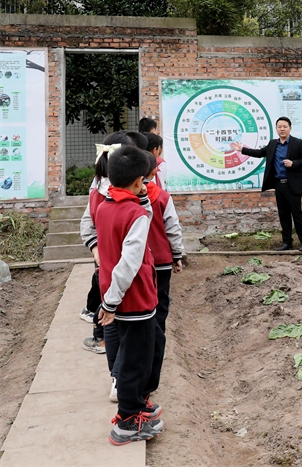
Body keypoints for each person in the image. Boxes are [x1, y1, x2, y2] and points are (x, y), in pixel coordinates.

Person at [95, 145, 165, 445]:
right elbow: (129, 262)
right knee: (136, 360)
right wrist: (111, 301)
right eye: (145, 181)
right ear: (138, 181)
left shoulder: (105, 206)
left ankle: (136, 404)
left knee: (139, 353)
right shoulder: (134, 214)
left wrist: (109, 298)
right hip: (132, 299)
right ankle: (126, 422)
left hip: (117, 294)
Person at [80, 132, 132, 356]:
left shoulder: (97, 184)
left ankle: (102, 340)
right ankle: (105, 341)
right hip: (116, 252)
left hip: (103, 252)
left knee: (106, 294)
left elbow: (86, 221)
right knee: (113, 298)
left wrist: (95, 249)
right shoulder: (117, 190)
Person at [231, 117, 302, 251]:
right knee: (283, 215)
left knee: (297, 214)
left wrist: (293, 163)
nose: (282, 129)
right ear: (276, 129)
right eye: (279, 126)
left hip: (293, 185)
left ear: (290, 128)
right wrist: (242, 149)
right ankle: (287, 243)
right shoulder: (273, 144)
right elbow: (259, 153)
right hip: (279, 185)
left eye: (285, 126)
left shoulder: (298, 143)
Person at [143, 153, 184, 333]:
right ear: (154, 171)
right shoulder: (163, 197)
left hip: (137, 262)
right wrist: (177, 255)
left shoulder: (124, 197)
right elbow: (173, 229)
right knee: (160, 301)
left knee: (141, 303)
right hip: (161, 260)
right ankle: (157, 343)